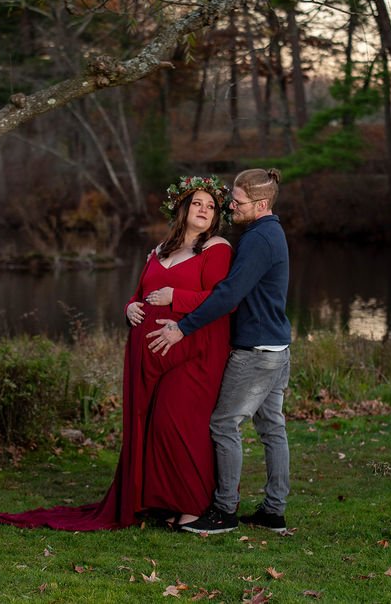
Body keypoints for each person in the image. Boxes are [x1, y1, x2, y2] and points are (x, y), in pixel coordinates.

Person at [0, 176, 233, 531]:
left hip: (194, 352)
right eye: (198, 203)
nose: (205, 210)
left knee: (175, 421)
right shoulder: (160, 249)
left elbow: (222, 300)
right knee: (147, 425)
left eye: (211, 206)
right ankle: (158, 501)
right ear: (183, 207)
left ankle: (193, 505)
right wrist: (129, 308)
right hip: (146, 355)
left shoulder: (217, 248)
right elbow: (139, 293)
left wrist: (175, 299)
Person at [147, 167, 291, 535]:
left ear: (260, 204)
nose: (231, 207)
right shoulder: (268, 231)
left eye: (238, 202)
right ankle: (273, 511)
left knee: (224, 424)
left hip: (257, 351)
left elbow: (228, 294)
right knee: (272, 428)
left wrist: (183, 327)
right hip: (276, 345)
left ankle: (224, 511)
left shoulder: (258, 239)